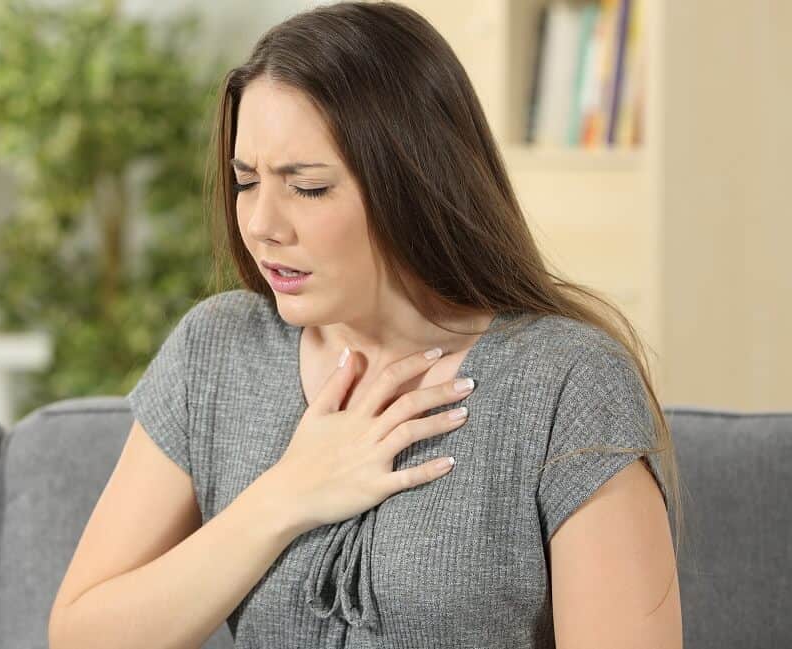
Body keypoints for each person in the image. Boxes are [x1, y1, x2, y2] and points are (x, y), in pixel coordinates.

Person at [50, 2, 682, 648]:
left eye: (309, 187)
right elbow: (80, 635)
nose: (263, 223)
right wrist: (283, 496)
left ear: (412, 182)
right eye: (245, 182)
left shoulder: (565, 382)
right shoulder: (216, 351)